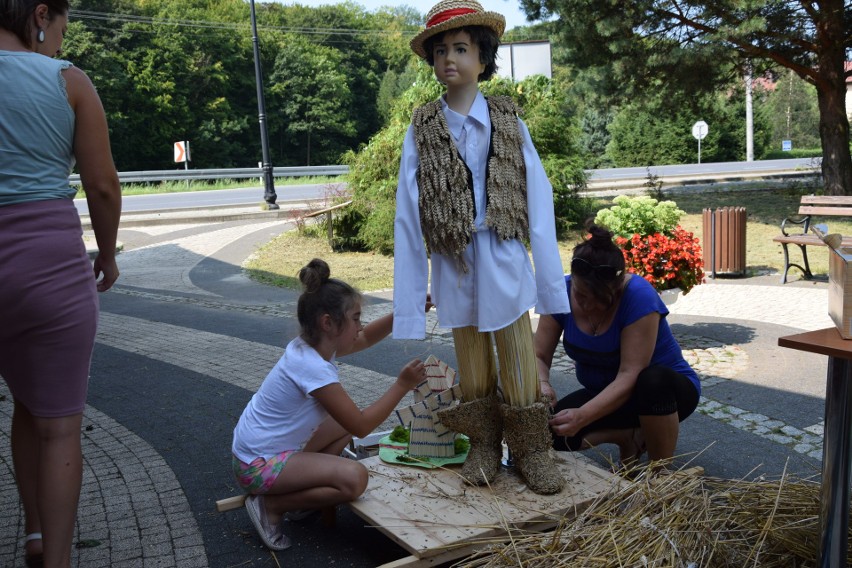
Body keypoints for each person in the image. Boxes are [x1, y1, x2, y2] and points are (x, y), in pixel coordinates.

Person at [393, 0, 570, 495]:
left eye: (462, 48)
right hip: (454, 261)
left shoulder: (508, 119)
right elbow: (408, 216)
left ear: (483, 57)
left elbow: (539, 198)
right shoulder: (422, 127)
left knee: (516, 355)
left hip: (504, 255)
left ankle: (533, 451)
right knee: (471, 362)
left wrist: (551, 287)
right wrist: (409, 303)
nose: (450, 59)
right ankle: (486, 446)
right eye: (442, 50)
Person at [0, 1, 121, 566]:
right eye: (61, 27)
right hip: (46, 262)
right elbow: (101, 186)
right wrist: (108, 256)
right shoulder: (68, 81)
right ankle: (54, 556)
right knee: (56, 424)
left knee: (28, 403)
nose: (58, 40)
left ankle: (31, 530)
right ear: (40, 13)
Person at [231, 258, 430, 551]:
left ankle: (303, 499)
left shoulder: (312, 347)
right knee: (354, 479)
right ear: (328, 323)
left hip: (257, 452)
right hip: (257, 467)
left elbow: (363, 340)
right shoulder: (312, 367)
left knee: (340, 423)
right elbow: (362, 426)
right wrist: (402, 384)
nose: (360, 327)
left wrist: (404, 312)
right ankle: (272, 506)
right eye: (356, 319)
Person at [535, 224, 700, 473]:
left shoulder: (639, 296)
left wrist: (583, 416)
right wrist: (542, 382)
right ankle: (627, 437)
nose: (588, 306)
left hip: (664, 396)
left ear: (617, 285)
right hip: (605, 395)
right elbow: (538, 355)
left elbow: (630, 374)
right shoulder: (560, 292)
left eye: (600, 300)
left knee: (652, 379)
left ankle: (660, 474)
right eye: (580, 296)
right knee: (550, 433)